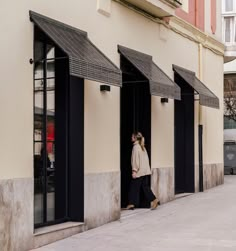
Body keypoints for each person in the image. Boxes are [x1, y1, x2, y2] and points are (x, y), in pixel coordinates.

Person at [126, 132, 159, 210]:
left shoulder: (136, 147)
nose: (131, 138)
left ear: (135, 138)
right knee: (145, 187)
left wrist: (134, 170)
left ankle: (131, 204)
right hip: (145, 171)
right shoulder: (142, 147)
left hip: (139, 171)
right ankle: (154, 199)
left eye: (132, 136)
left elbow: (135, 160)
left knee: (133, 187)